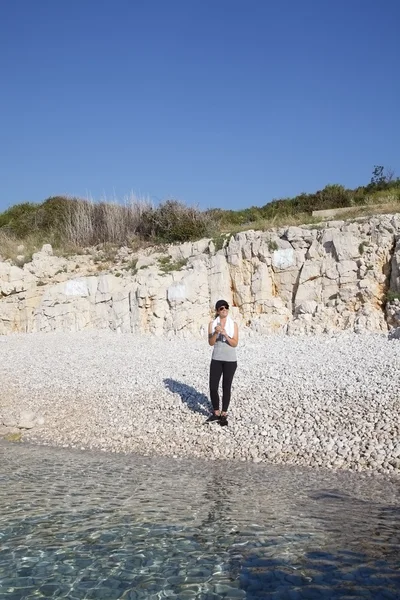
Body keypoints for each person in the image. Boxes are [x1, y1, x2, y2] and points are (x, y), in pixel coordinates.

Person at [206, 299, 239, 427]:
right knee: (213, 386)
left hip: (230, 360)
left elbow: (235, 343)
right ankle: (216, 412)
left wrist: (225, 333)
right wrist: (216, 332)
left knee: (226, 387)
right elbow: (211, 342)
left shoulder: (233, 324)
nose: (224, 310)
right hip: (216, 359)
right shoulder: (212, 324)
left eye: (226, 307)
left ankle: (224, 413)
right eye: (221, 308)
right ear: (217, 311)